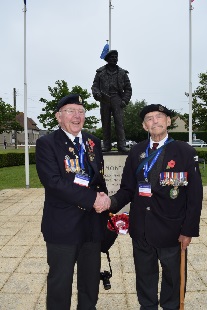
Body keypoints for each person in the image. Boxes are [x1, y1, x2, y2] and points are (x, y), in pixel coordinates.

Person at [98, 104, 203, 310]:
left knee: (173, 278)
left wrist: (188, 230)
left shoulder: (184, 152)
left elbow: (194, 196)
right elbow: (127, 188)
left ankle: (170, 306)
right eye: (149, 118)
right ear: (144, 126)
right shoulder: (136, 151)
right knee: (145, 277)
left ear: (168, 121)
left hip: (172, 230)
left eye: (159, 116)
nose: (155, 121)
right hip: (142, 229)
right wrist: (110, 202)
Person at [36, 94, 110, 310]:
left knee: (89, 284)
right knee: (60, 284)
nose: (77, 116)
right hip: (63, 225)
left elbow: (98, 178)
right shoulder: (47, 143)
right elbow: (54, 182)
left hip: (91, 225)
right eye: (70, 111)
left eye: (81, 111)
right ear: (59, 116)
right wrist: (93, 198)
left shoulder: (92, 142)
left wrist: (105, 201)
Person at [91, 50, 132, 152]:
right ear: (107, 59)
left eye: (116, 57)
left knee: (119, 122)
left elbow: (128, 89)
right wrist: (97, 94)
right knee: (105, 123)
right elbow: (95, 86)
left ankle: (122, 145)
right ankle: (106, 145)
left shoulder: (122, 73)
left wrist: (125, 100)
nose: (114, 59)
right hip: (104, 99)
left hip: (117, 98)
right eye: (112, 57)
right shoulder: (100, 73)